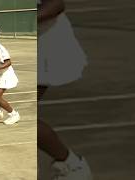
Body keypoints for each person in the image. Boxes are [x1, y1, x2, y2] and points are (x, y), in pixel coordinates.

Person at [37, 0, 93, 179]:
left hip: (44, 44)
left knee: (13, 114)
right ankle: (72, 166)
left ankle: (72, 166)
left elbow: (55, 4)